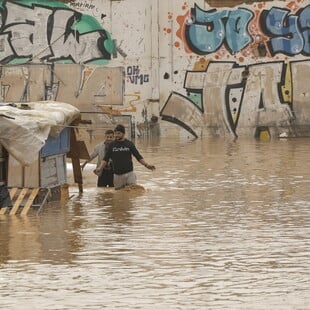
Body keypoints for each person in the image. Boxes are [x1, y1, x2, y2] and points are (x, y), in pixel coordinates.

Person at [94, 124, 155, 190]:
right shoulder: (112, 145)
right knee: (119, 195)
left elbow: (138, 157)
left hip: (129, 174)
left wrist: (147, 165)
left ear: (123, 133)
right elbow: (105, 159)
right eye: (115, 133)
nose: (116, 135)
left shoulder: (129, 144)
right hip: (117, 175)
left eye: (118, 133)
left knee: (133, 192)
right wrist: (100, 168)